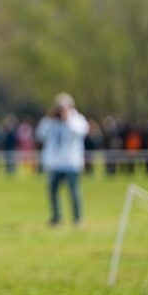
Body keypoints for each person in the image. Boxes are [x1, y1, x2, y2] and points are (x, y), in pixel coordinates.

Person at [36, 92, 90, 226]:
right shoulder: (49, 121)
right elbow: (40, 135)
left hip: (71, 162)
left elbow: (82, 132)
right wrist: (49, 119)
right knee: (52, 192)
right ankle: (56, 217)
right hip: (54, 163)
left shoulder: (77, 119)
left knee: (74, 191)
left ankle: (77, 218)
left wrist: (67, 119)